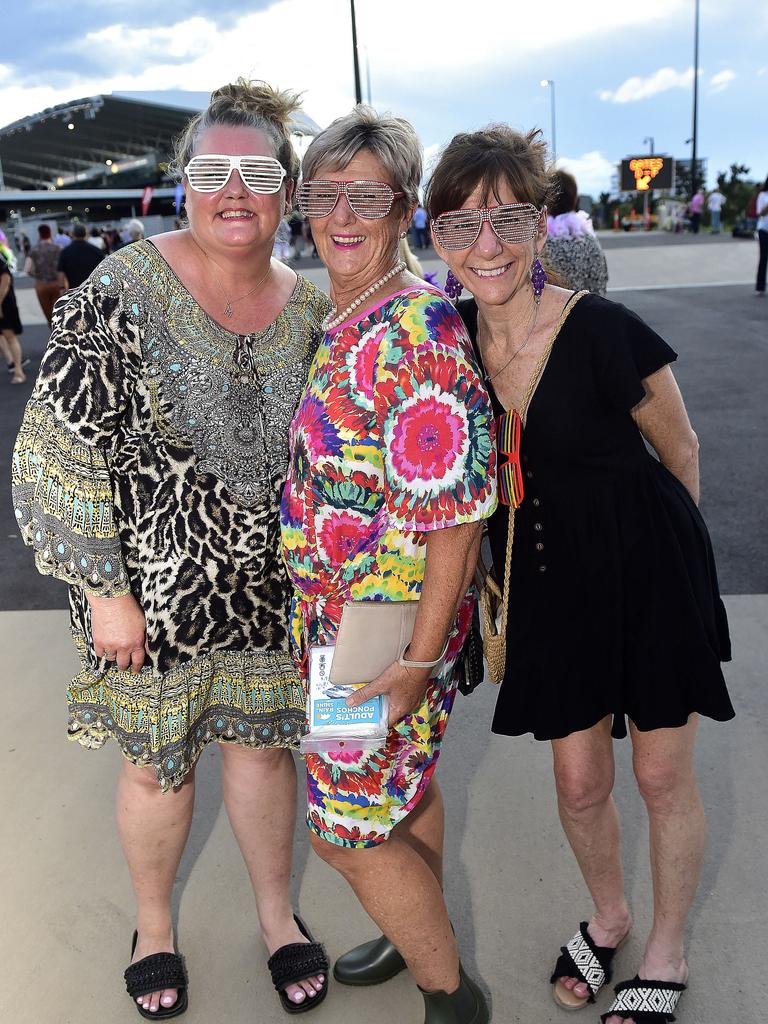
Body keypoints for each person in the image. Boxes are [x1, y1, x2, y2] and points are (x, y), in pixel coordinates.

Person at [12, 79, 332, 1019]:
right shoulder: (125, 288)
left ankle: (278, 918)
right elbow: (57, 445)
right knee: (158, 765)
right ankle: (155, 926)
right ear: (183, 181)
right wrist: (105, 591)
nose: (236, 190)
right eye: (213, 170)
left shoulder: (309, 311)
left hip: (271, 593)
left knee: (265, 756)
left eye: (259, 171)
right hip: (149, 599)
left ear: (286, 190)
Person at [427, 124, 734, 1024]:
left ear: (539, 224)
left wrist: (681, 581)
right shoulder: (448, 345)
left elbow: (681, 454)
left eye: (506, 220)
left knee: (660, 778)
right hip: (549, 584)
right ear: (438, 235)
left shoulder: (602, 328)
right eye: (460, 224)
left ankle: (666, 948)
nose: (486, 246)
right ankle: (610, 916)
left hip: (647, 572)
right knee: (578, 782)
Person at [281, 105, 496, 1024]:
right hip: (349, 624)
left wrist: (414, 658)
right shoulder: (351, 313)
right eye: (324, 193)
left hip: (376, 634)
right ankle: (422, 936)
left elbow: (453, 516)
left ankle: (452, 995)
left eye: (365, 195)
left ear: (402, 207)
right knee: (401, 794)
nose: (341, 215)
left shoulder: (410, 329)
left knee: (341, 833)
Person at [541, 169, 608, 294]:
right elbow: (600, 287)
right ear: (576, 200)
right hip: (586, 312)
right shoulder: (588, 242)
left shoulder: (537, 243)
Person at [24, 224, 62, 327]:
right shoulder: (58, 248)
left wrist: (37, 275)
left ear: (39, 235)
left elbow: (27, 269)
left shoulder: (34, 250)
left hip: (41, 285)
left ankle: (53, 333)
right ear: (50, 234)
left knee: (48, 315)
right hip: (57, 284)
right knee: (59, 313)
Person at [0, 247, 26, 382]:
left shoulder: (1, 259)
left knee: (10, 337)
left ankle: (18, 371)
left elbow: (6, 279)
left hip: (4, 305)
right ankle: (11, 362)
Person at [57, 223, 105, 290]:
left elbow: (61, 273)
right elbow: (104, 271)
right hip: (93, 290)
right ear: (86, 234)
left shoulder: (65, 252)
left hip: (75, 291)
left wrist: (62, 288)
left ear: (72, 234)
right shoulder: (96, 251)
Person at [755, 175, 768, 296]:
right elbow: (760, 213)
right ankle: (760, 286)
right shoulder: (762, 195)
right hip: (764, 229)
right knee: (764, 258)